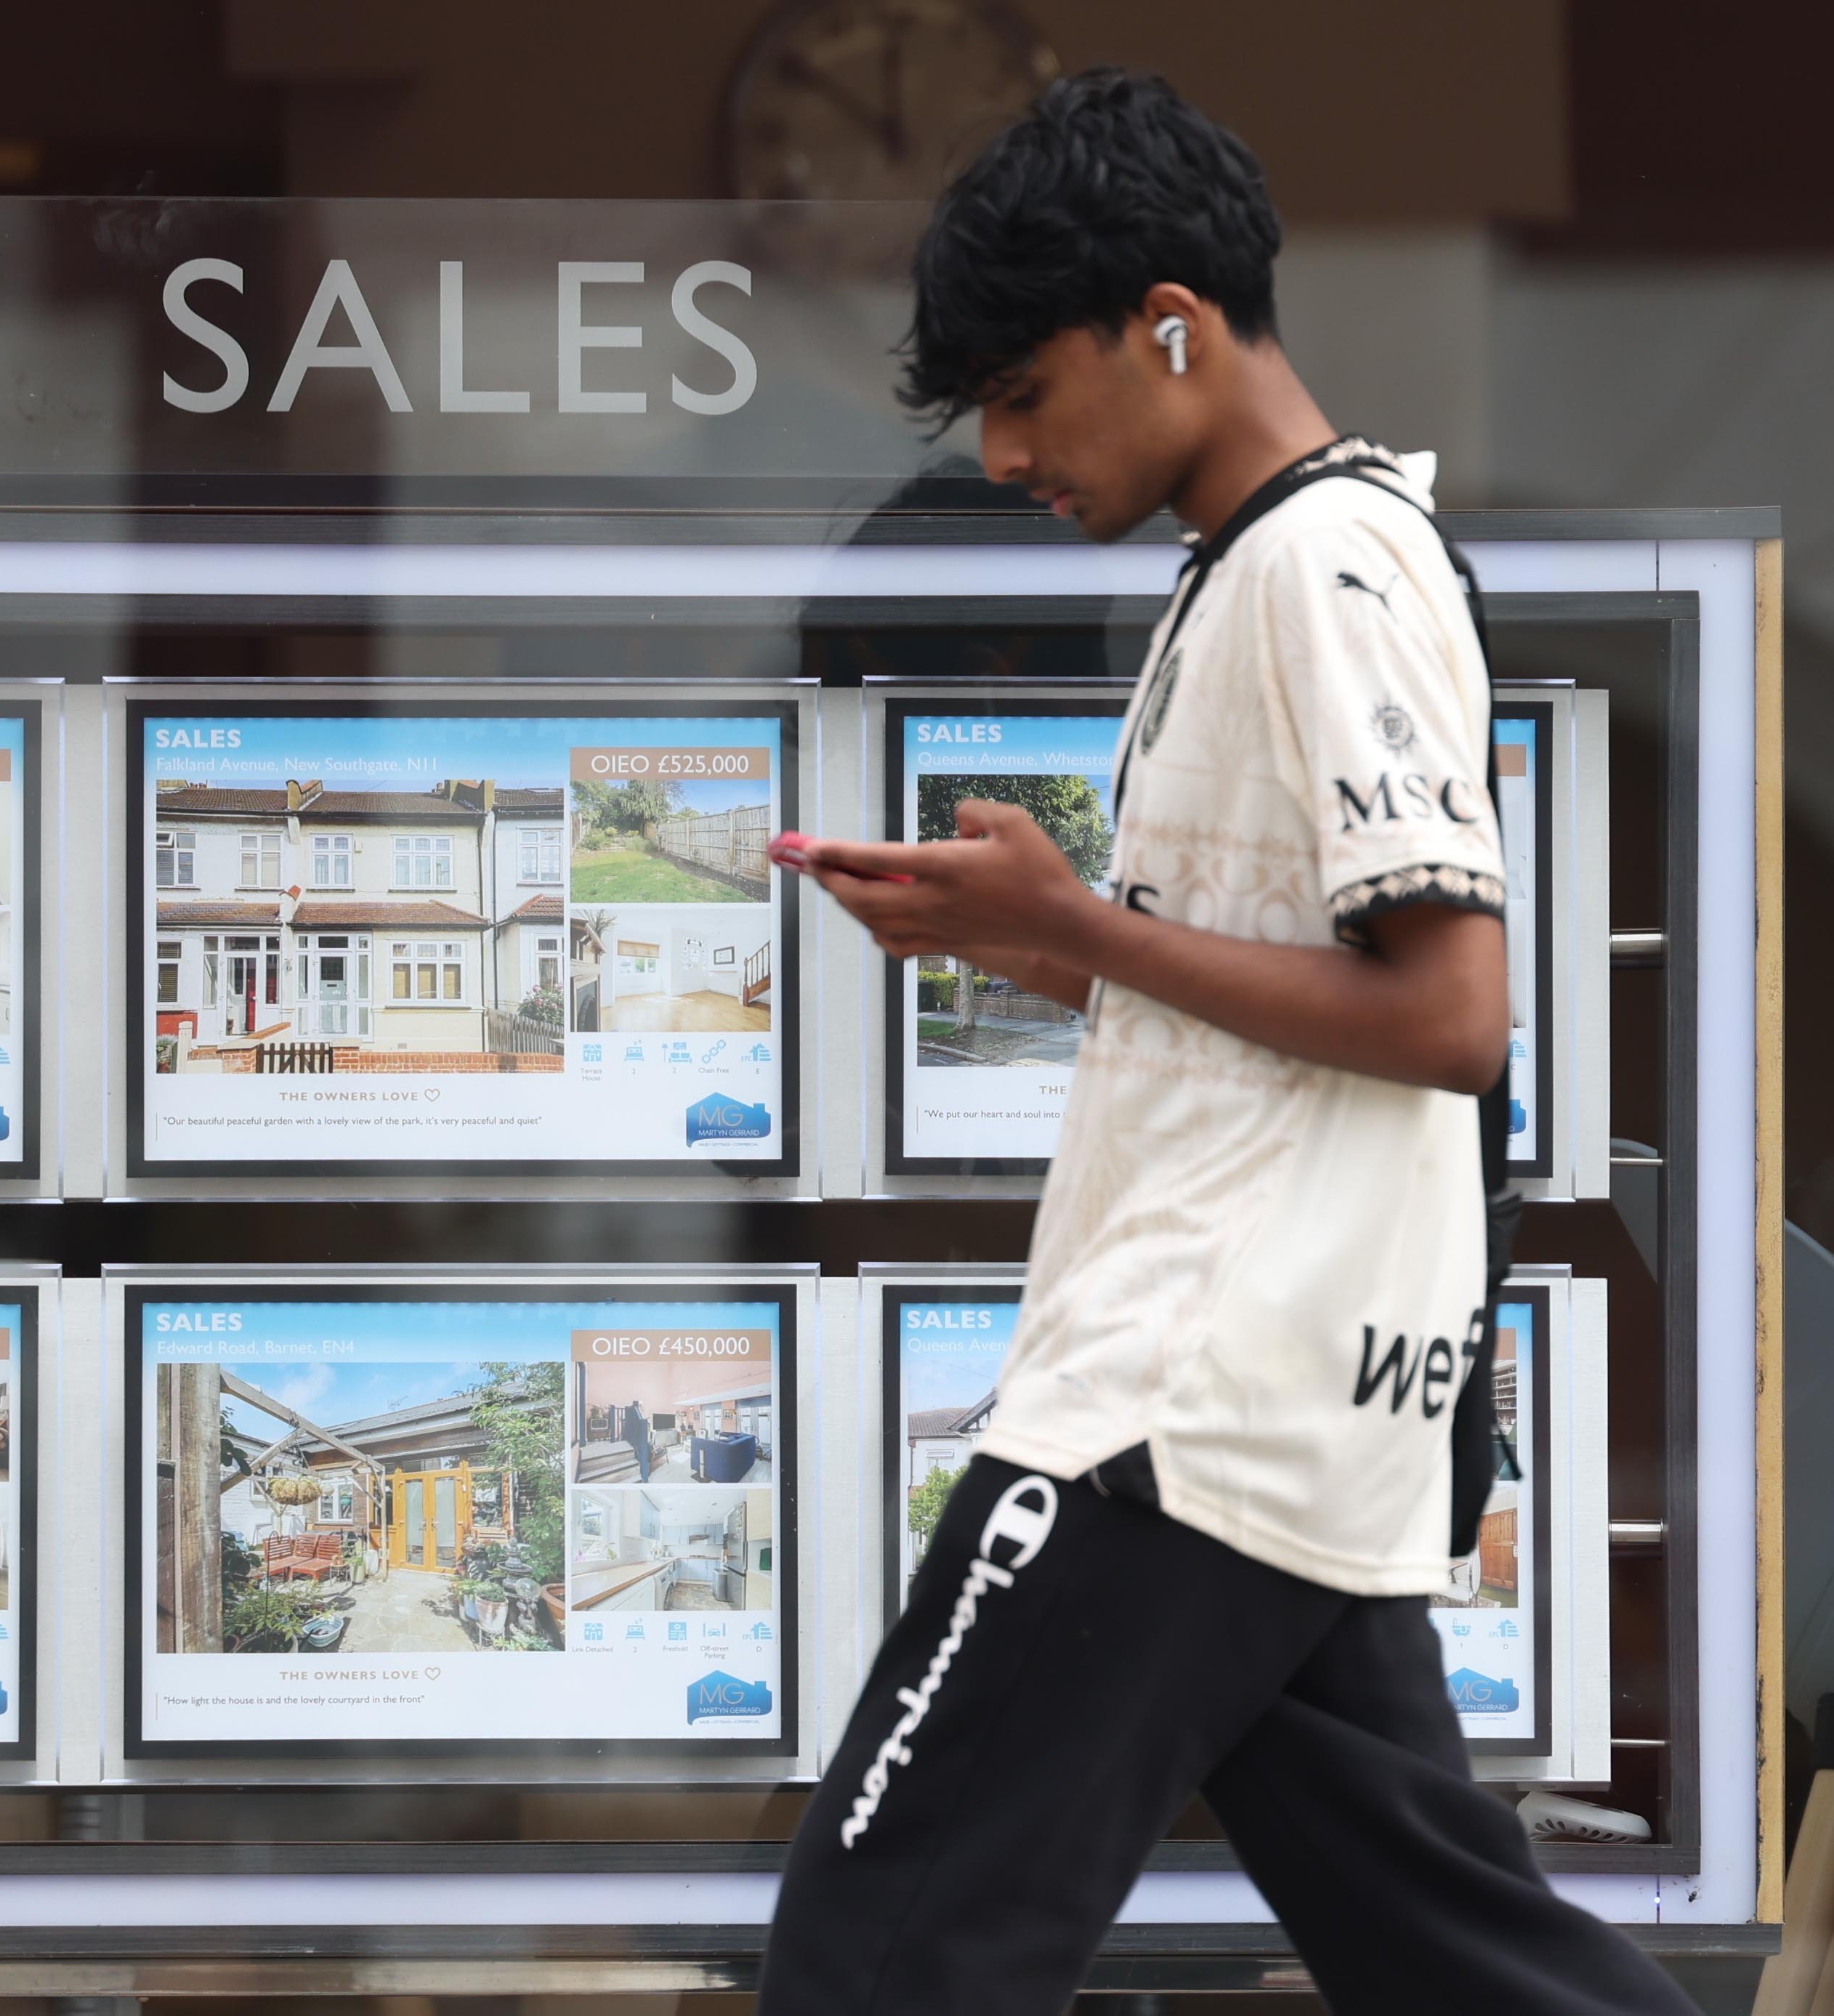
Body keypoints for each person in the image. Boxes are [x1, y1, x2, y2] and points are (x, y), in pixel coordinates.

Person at [759, 70, 1693, 2016]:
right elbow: (1319, 1012)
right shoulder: (1279, 559)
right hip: (1294, 1416)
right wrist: (1055, 954)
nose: (1006, 454)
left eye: (1027, 391)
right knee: (1465, 1961)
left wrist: (1077, 928)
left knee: (882, 1949)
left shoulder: (1314, 568)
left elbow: (1451, 1013)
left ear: (1170, 325)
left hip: (1173, 1406)